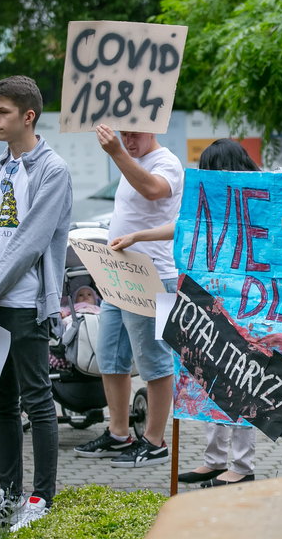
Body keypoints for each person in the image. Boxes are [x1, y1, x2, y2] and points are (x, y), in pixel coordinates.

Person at [108, 139, 259, 487]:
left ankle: (242, 466)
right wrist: (138, 236)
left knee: (239, 384)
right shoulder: (211, 200)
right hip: (209, 303)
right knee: (209, 381)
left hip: (240, 306)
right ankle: (215, 459)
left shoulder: (251, 201)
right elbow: (183, 226)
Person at [0, 75, 72, 531]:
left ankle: (40, 498)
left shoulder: (53, 170)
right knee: (2, 404)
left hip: (25, 303)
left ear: (28, 116)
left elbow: (30, 241)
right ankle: (6, 494)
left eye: (2, 111)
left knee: (38, 402)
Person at [73, 125, 183, 468]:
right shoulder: (132, 158)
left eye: (135, 134)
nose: (128, 141)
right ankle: (119, 432)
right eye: (124, 135)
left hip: (153, 275)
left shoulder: (166, 162)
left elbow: (153, 190)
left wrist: (117, 152)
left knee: (154, 360)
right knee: (110, 356)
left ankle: (154, 440)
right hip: (118, 273)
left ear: (152, 130)